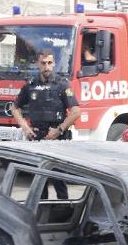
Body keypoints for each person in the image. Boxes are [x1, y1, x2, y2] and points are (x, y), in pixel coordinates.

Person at [11, 50, 80, 199]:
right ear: (38, 64)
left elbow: (76, 112)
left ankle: (64, 213)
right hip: (37, 138)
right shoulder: (30, 85)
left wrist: (59, 130)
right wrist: (25, 127)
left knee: (58, 180)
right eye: (43, 63)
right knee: (39, 181)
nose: (46, 67)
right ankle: (40, 212)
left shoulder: (62, 84)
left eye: (49, 63)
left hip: (56, 139)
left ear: (54, 63)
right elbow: (15, 108)